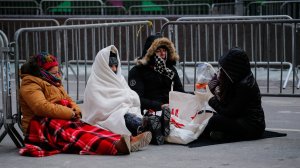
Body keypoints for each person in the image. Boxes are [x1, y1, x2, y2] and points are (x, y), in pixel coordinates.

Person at [19, 52, 151, 157]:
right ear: (42, 72)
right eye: (54, 72)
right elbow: (41, 107)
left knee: (87, 128)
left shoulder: (53, 81)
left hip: (59, 116)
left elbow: (68, 98)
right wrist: (70, 113)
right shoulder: (30, 84)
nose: (58, 75)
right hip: (40, 124)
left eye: (58, 72)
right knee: (76, 135)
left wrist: (75, 109)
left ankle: (128, 140)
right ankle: (115, 146)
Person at [128, 34, 184, 144]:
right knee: (150, 119)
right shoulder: (137, 71)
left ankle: (161, 130)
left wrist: (195, 97)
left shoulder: (170, 69)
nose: (163, 54)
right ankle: (155, 129)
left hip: (171, 110)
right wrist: (160, 106)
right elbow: (137, 99)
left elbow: (180, 92)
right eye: (159, 51)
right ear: (151, 53)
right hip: (148, 109)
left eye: (165, 50)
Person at [201, 47, 266, 141]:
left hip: (251, 126)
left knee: (215, 120)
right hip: (244, 119)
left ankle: (224, 135)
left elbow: (229, 112)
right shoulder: (238, 78)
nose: (221, 70)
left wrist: (210, 98)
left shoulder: (244, 85)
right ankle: (221, 134)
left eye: (224, 68)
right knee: (211, 118)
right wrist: (216, 87)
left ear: (233, 68)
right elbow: (227, 103)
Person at [82, 45, 145, 137]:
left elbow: (132, 96)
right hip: (109, 119)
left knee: (135, 117)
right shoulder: (94, 83)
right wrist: (123, 102)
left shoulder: (119, 78)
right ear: (103, 65)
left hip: (127, 112)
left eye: (116, 65)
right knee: (125, 119)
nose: (114, 69)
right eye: (111, 66)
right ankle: (148, 128)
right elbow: (101, 109)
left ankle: (153, 126)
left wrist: (125, 101)